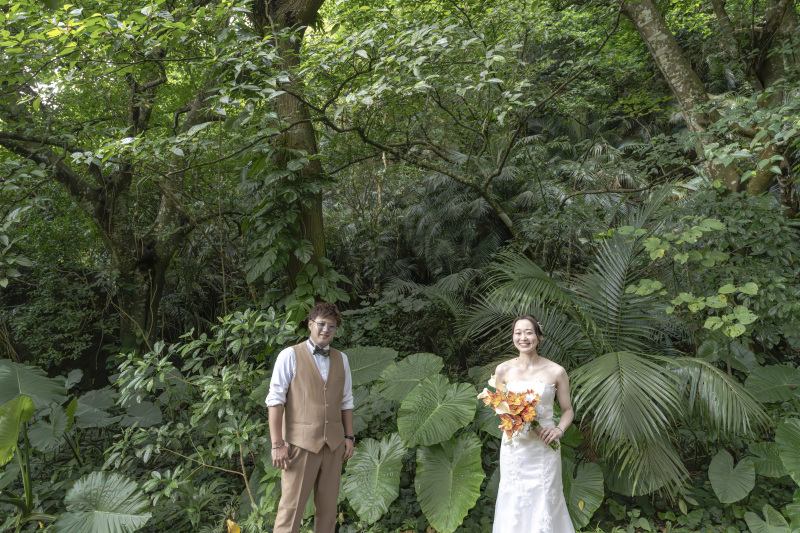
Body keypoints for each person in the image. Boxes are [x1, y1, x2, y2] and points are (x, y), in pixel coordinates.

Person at [265, 302, 355, 533]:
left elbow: (346, 401)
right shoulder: (290, 355)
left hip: (333, 445)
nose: (326, 330)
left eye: (332, 326)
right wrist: (277, 445)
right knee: (291, 509)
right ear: (310, 324)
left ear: (336, 331)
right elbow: (275, 400)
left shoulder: (342, 359)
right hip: (300, 446)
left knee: (328, 512)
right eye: (321, 324)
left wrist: (349, 436)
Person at [492, 315, 575, 533]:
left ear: (538, 336)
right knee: (514, 499)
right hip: (515, 447)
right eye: (518, 332)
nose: (523, 337)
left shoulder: (556, 371)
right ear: (513, 337)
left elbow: (568, 410)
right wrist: (517, 418)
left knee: (545, 498)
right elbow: (500, 408)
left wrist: (559, 430)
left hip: (544, 447)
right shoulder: (502, 370)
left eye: (529, 332)